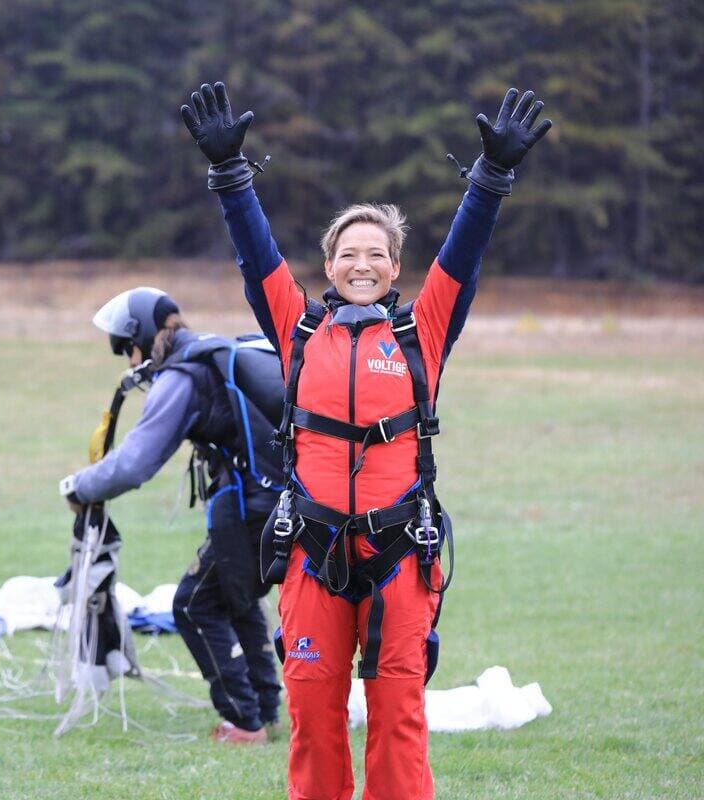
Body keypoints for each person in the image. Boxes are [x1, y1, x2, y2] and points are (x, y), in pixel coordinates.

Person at [181, 83, 552, 798]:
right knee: (315, 719)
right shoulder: (296, 330)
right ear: (329, 265)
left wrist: (491, 179)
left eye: (375, 254)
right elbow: (255, 257)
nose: (361, 263)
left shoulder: (423, 331)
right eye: (348, 252)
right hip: (313, 555)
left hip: (398, 558)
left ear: (394, 268)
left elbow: (464, 256)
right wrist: (230, 176)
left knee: (398, 719)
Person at [59, 287, 283, 744]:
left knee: (194, 604)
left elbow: (136, 463)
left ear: (141, 338)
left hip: (250, 508)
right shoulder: (213, 356)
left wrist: (79, 486)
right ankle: (264, 709)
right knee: (236, 599)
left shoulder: (182, 378)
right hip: (279, 500)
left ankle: (245, 721)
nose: (128, 361)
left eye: (127, 348)